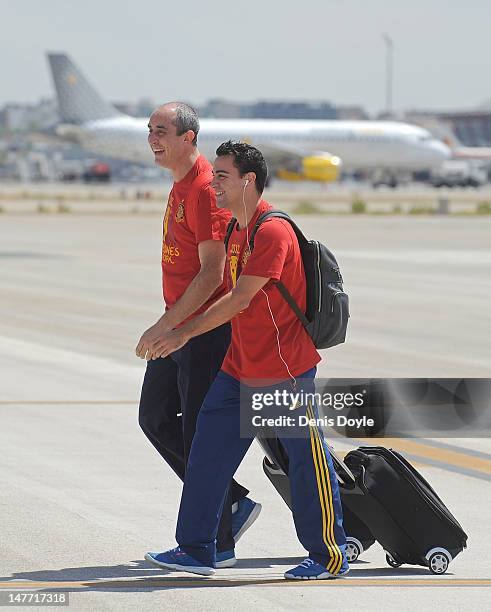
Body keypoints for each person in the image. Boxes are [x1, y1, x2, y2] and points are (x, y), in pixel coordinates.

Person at [144, 141, 348, 580]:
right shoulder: (237, 229)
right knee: (205, 454)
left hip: (284, 371)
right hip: (239, 368)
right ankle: (199, 548)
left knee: (306, 464)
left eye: (222, 176)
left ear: (247, 181)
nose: (213, 183)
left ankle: (329, 554)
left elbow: (239, 299)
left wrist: (179, 334)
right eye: (214, 174)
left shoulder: (271, 230)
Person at [136, 106, 260, 569]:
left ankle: (216, 543)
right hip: (178, 323)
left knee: (200, 433)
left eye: (162, 132)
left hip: (204, 330)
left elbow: (212, 275)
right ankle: (230, 501)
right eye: (149, 131)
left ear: (189, 137)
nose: (153, 139)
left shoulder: (206, 189)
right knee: (155, 418)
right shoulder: (180, 183)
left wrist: (170, 327)